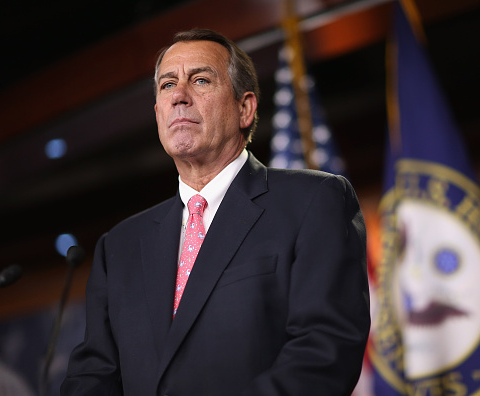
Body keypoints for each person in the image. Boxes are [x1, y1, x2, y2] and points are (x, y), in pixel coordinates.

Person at [62, 28, 370, 396]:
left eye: (201, 80)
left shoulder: (313, 201)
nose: (179, 96)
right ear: (158, 113)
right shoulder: (120, 246)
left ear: (245, 108)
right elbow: (93, 376)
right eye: (167, 85)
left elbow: (325, 349)